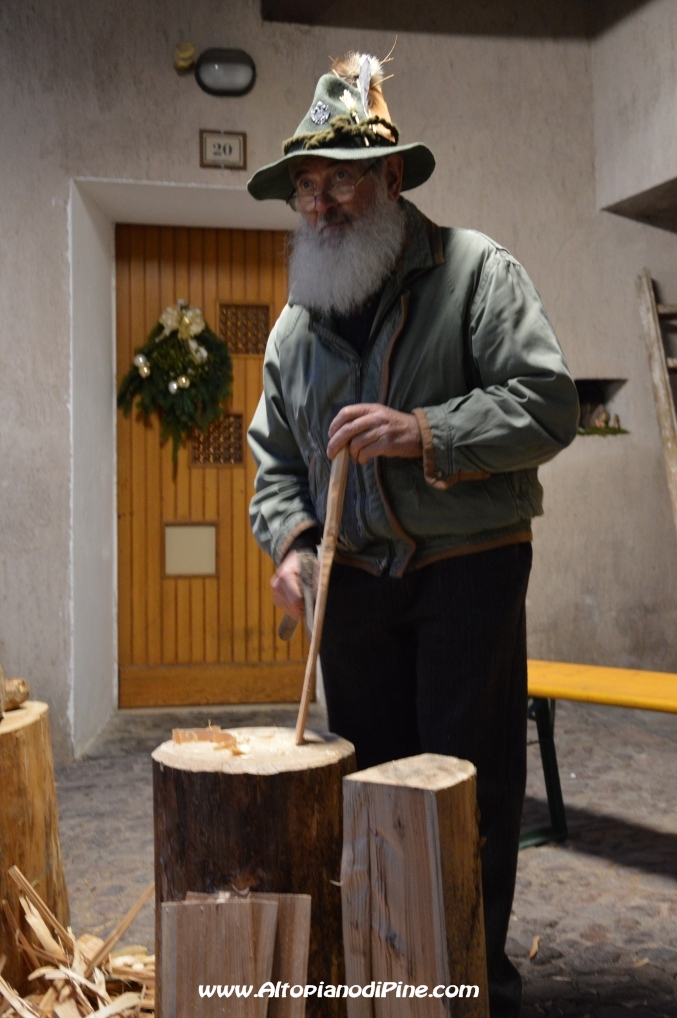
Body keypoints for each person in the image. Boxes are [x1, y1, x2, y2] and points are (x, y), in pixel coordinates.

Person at [246, 51, 579, 1018]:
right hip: (350, 586)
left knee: (463, 793)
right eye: (307, 185)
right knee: (375, 782)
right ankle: (393, 974)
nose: (321, 203)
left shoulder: (476, 273)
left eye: (341, 176)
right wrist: (292, 543)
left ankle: (472, 977)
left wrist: (425, 432)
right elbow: (272, 460)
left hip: (465, 572)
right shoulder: (292, 330)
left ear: (391, 177)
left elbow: (547, 404)